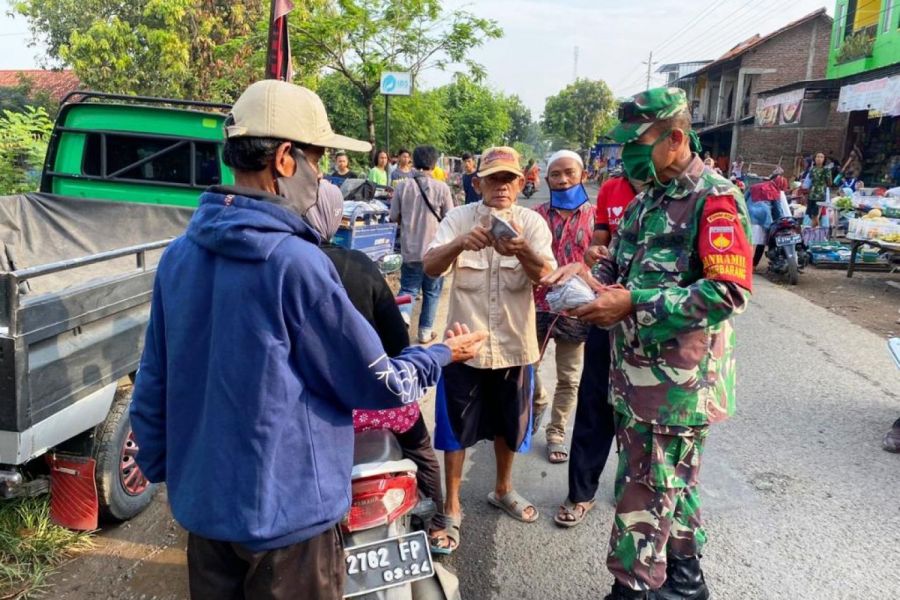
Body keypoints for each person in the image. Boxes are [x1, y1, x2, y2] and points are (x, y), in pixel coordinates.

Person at [128, 80, 487, 600]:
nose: (321, 177)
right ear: (284, 160)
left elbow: (154, 380)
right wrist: (441, 353)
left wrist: (170, 473)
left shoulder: (181, 254)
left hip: (205, 515)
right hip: (288, 521)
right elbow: (377, 384)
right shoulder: (296, 263)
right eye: (318, 160)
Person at [544, 87, 752, 600]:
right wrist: (589, 280)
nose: (626, 155)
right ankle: (685, 581)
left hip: (677, 385)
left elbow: (728, 291)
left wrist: (633, 302)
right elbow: (619, 262)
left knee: (644, 488)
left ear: (676, 138)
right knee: (670, 483)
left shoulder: (716, 199)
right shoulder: (648, 198)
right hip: (635, 377)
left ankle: (632, 589)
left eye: (637, 143)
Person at [423, 146, 556, 552]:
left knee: (508, 426)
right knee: (455, 431)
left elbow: (547, 276)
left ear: (521, 183)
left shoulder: (532, 223)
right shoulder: (459, 219)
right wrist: (461, 244)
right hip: (464, 347)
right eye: (493, 179)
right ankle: (452, 506)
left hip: (515, 346)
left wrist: (524, 251)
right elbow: (430, 265)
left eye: (509, 179)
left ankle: (503, 489)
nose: (501, 186)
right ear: (477, 182)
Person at [306, 191, 451, 552]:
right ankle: (437, 525)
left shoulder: (278, 266)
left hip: (318, 411)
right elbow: (398, 345)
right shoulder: (357, 264)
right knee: (421, 451)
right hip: (375, 399)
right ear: (333, 214)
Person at [556, 172, 639, 528]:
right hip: (608, 318)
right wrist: (592, 261)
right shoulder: (612, 189)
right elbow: (606, 246)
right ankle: (581, 493)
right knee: (593, 404)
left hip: (658, 334)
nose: (632, 150)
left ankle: (636, 490)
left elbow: (725, 292)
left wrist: (636, 302)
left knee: (641, 418)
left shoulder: (703, 193)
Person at [531, 150, 594, 464]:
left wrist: (583, 271)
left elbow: (606, 262)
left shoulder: (597, 218)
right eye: (555, 174)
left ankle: (556, 432)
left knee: (570, 377)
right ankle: (538, 401)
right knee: (526, 367)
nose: (563, 179)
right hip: (537, 304)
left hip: (577, 310)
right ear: (547, 180)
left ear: (583, 175)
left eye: (569, 172)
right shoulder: (536, 215)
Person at [391, 145, 455, 344]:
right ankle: (425, 332)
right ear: (434, 163)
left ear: (413, 161)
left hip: (410, 248)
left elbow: (393, 216)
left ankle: (403, 315)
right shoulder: (442, 188)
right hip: (435, 251)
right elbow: (450, 218)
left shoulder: (402, 186)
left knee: (408, 288)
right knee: (432, 292)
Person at [807, 151, 833, 227]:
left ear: (824, 159)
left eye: (821, 157)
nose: (819, 159)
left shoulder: (826, 170)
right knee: (811, 215)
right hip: (811, 194)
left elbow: (830, 183)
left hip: (820, 195)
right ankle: (815, 231)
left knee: (816, 215)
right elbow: (809, 181)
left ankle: (813, 231)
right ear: (814, 159)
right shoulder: (812, 169)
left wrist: (823, 183)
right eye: (817, 157)